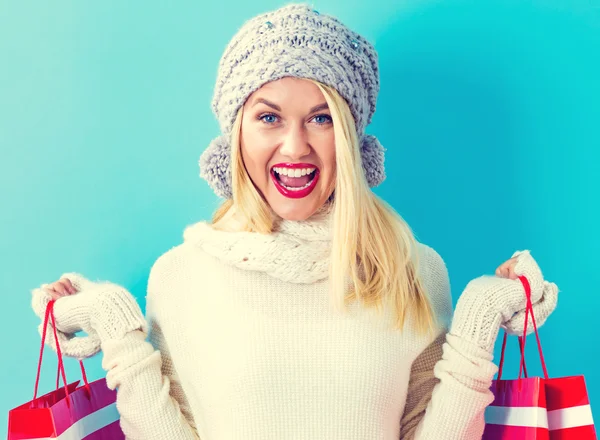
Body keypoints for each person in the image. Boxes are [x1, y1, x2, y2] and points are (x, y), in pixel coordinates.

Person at [30, 3, 560, 439]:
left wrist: (480, 314)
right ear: (236, 134)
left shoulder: (413, 271)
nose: (295, 146)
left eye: (321, 117)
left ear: (351, 137)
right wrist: (114, 325)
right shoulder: (179, 276)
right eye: (268, 116)